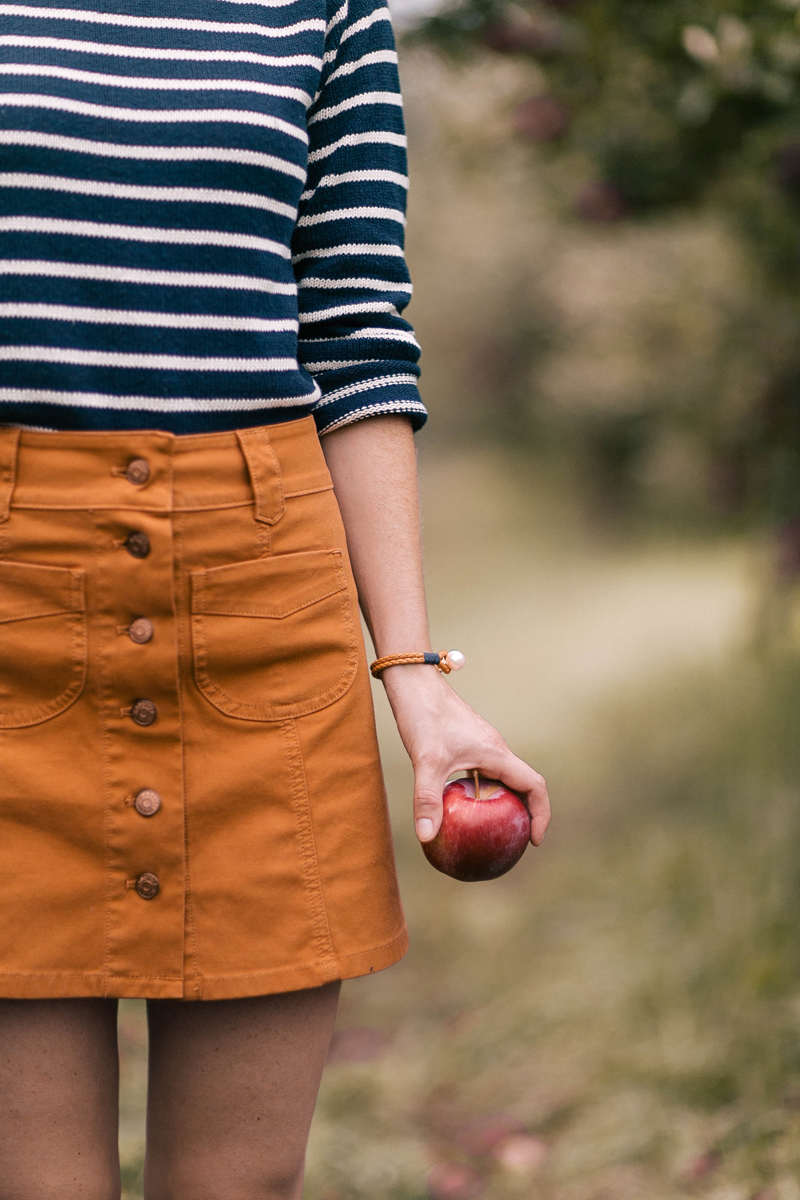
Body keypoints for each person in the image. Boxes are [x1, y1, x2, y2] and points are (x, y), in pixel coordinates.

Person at [0, 0, 551, 1192]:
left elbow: (356, 336)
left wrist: (416, 683)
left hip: (262, 610)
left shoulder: (326, 11)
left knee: (238, 1184)